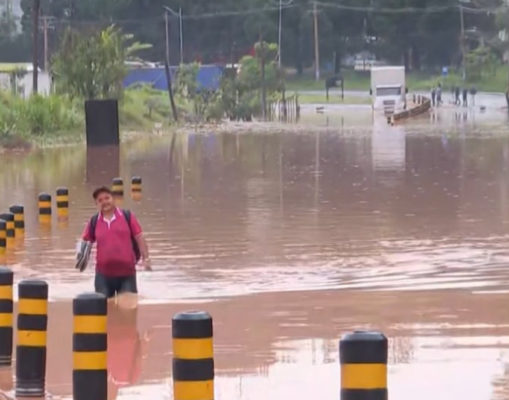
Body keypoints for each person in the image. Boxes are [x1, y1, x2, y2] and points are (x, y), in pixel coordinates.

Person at [81, 186, 150, 299]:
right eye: (100, 200)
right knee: (103, 312)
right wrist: (81, 261)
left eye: (107, 198)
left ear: (113, 199)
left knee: (128, 312)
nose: (104, 202)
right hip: (103, 277)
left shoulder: (127, 216)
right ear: (96, 204)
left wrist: (146, 259)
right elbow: (85, 242)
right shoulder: (93, 222)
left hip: (127, 275)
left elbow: (139, 238)